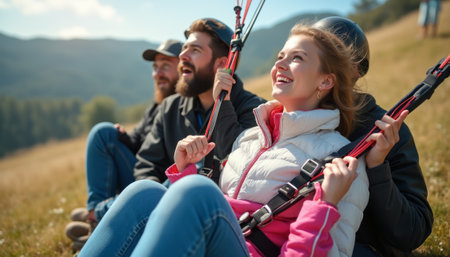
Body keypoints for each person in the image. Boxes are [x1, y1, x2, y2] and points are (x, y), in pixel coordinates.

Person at [77, 23, 387, 257]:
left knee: (196, 190)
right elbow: (219, 209)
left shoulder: (340, 166)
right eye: (280, 56)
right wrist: (184, 170)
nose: (280, 64)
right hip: (220, 241)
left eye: (297, 58)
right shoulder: (252, 137)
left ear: (325, 80)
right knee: (146, 191)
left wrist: (326, 204)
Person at [312, 16, 434, 256]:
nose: (320, 64)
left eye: (331, 56)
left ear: (356, 70)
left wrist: (377, 168)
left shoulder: (385, 131)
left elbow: (413, 230)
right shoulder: (288, 121)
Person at [64, 39, 183, 251]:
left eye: (165, 65)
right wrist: (123, 137)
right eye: (155, 68)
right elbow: (138, 140)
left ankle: (100, 214)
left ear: (183, 66)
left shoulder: (183, 107)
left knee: (105, 135)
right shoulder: (156, 107)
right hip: (142, 176)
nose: (158, 73)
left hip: (159, 187)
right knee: (104, 133)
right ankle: (98, 218)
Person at [133, 18, 266, 184]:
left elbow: (243, 168)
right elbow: (147, 165)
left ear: (222, 64)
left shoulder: (257, 110)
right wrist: (154, 197)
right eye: (184, 48)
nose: (182, 56)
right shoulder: (170, 107)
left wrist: (223, 104)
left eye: (195, 50)